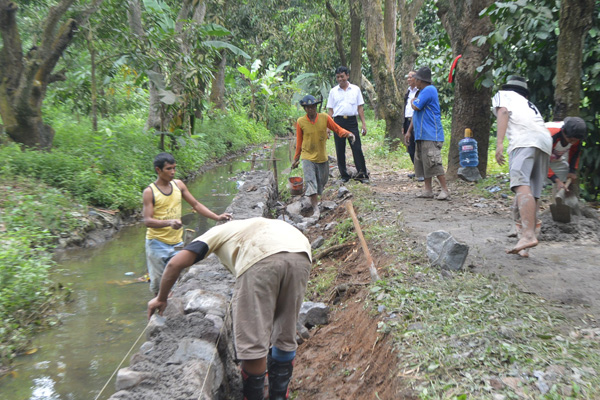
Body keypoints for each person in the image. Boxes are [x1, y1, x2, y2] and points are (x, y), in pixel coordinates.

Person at [147, 217, 312, 400]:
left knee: (252, 341)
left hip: (260, 256)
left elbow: (174, 263)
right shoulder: (249, 225)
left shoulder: (213, 234)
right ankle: (279, 396)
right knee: (285, 332)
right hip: (300, 253)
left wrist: (161, 298)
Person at [142, 152, 231, 295]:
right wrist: (169, 222)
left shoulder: (178, 185)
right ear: (158, 170)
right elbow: (147, 221)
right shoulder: (150, 192)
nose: (173, 172)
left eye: (174, 168)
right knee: (158, 286)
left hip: (176, 243)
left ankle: (169, 310)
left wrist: (217, 217)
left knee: (173, 281)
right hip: (157, 243)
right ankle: (159, 310)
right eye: (169, 169)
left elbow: (195, 204)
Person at [492, 76, 552, 255]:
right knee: (532, 190)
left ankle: (527, 235)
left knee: (520, 184)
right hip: (544, 141)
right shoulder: (528, 104)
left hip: (523, 140)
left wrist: (500, 143)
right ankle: (525, 239)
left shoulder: (504, 95)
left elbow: (503, 112)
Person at [292, 95, 355, 219]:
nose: (311, 110)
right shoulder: (301, 122)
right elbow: (299, 142)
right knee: (311, 182)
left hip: (321, 156)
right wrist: (296, 159)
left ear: (316, 107)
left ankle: (315, 200)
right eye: (308, 108)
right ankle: (316, 209)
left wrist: (348, 134)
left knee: (322, 181)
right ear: (305, 109)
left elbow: (337, 129)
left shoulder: (325, 118)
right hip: (307, 156)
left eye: (313, 107)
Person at [404, 66, 450, 200]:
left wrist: (413, 100)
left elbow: (416, 106)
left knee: (433, 162)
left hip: (430, 133)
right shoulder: (422, 92)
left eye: (416, 79)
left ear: (421, 80)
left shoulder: (429, 90)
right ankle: (428, 189)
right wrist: (409, 131)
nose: (414, 81)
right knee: (423, 163)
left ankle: (445, 190)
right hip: (421, 133)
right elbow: (416, 113)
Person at [326, 66, 369, 183]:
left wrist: (363, 124)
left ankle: (362, 174)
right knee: (340, 149)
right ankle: (344, 175)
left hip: (352, 122)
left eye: (342, 76)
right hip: (338, 122)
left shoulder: (355, 89)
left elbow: (360, 107)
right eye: (338, 77)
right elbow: (330, 110)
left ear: (347, 76)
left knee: (357, 148)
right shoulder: (333, 91)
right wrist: (328, 127)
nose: (340, 79)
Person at [545, 117, 587, 193]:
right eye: (571, 140)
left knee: (565, 171)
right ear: (563, 132)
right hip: (533, 157)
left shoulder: (575, 136)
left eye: (576, 140)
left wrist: (572, 171)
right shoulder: (549, 135)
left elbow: (574, 153)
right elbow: (540, 162)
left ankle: (560, 200)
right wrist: (556, 180)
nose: (573, 143)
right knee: (532, 182)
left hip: (551, 159)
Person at [403, 70, 422, 181]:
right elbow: (405, 108)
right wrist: (403, 124)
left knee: (418, 147)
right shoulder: (408, 92)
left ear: (416, 78)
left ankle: (422, 172)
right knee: (410, 148)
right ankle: (417, 170)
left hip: (416, 121)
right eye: (408, 77)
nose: (409, 79)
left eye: (411, 77)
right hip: (407, 121)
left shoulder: (419, 92)